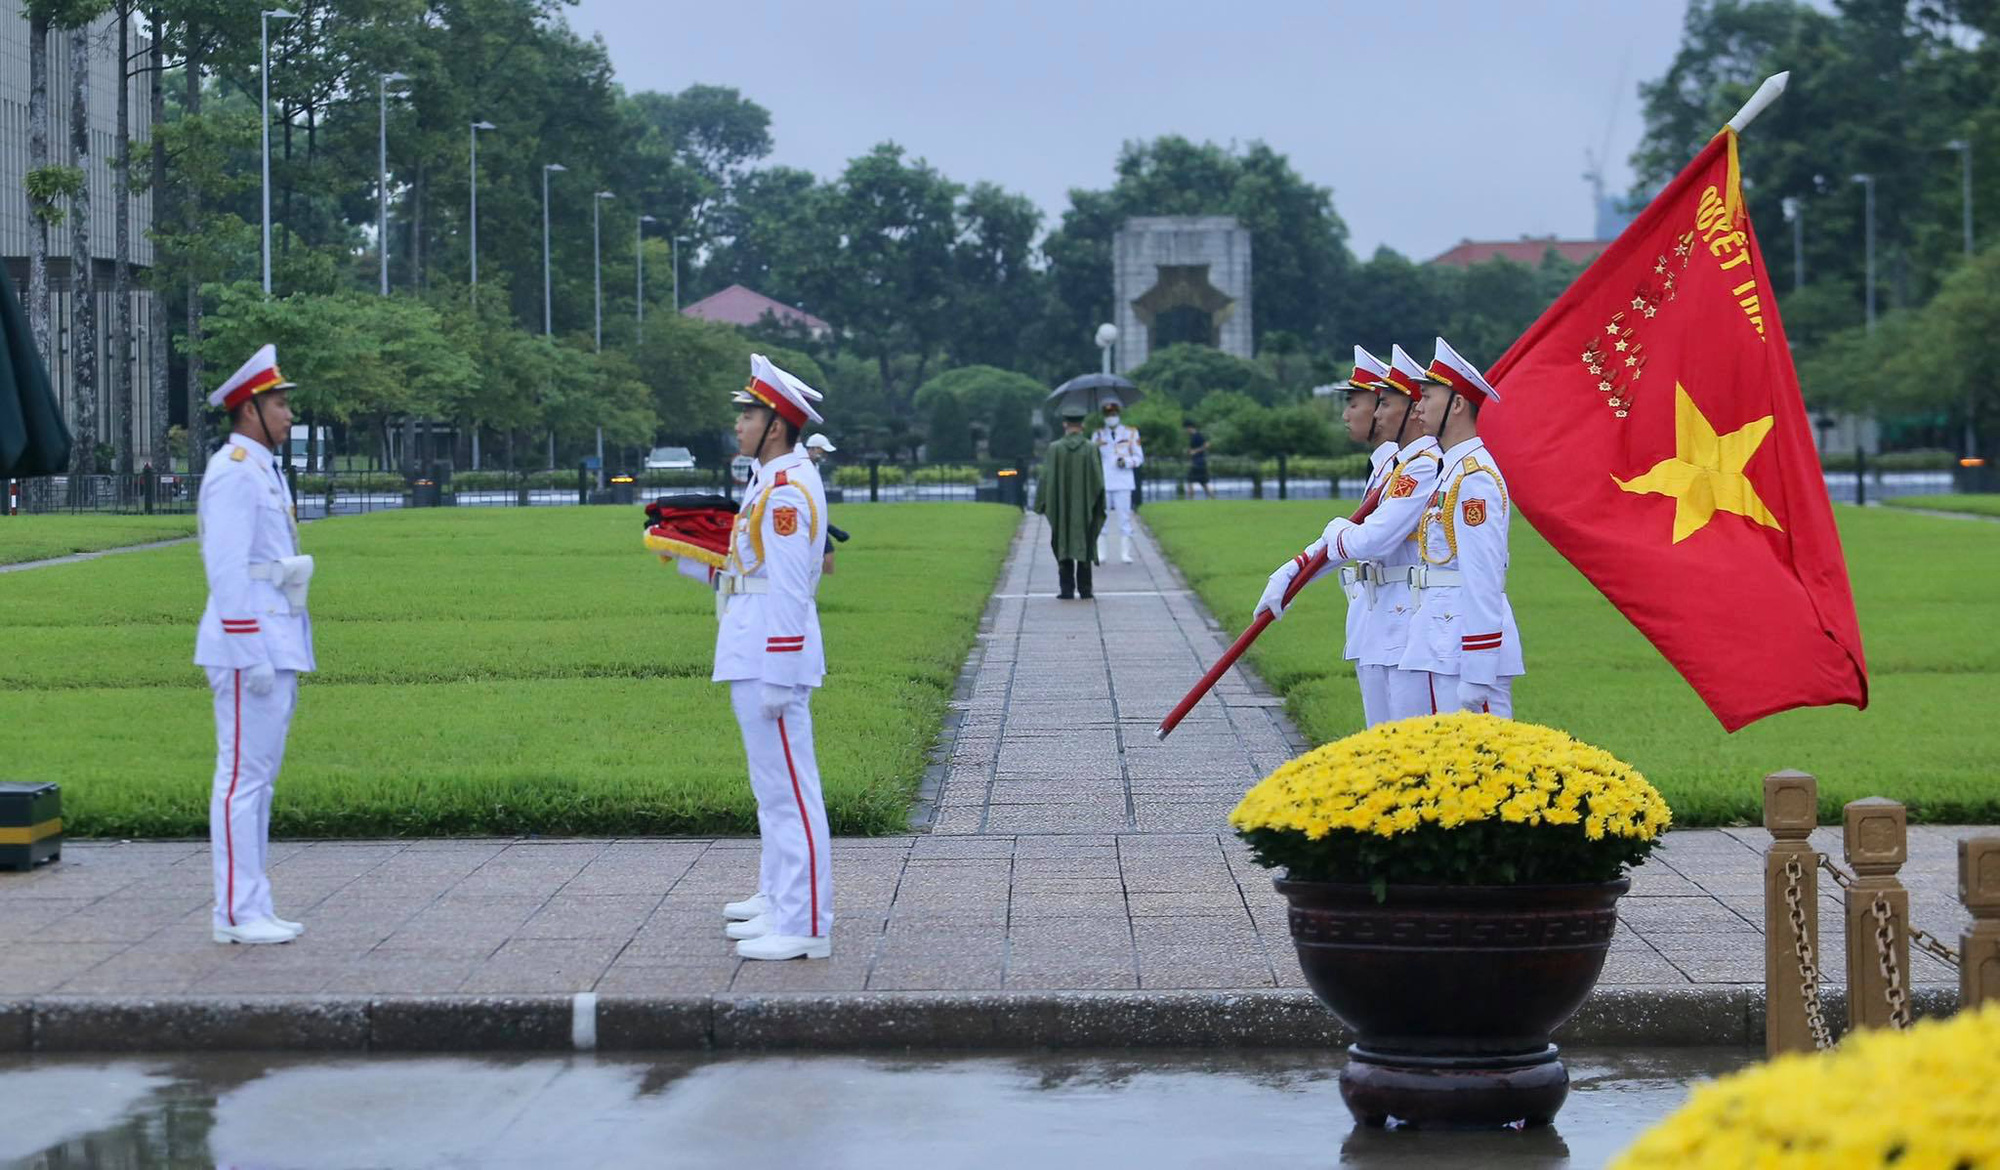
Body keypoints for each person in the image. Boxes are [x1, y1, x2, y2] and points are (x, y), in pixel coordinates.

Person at [708, 354, 836, 960]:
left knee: (790, 794)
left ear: (776, 425)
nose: (739, 425)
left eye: (749, 413)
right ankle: (783, 901)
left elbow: (788, 587)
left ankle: (806, 923)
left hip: (770, 654)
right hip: (752, 644)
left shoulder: (786, 491)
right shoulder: (772, 482)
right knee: (774, 792)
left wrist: (781, 673)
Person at [1254, 344, 1444, 725]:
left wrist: (1334, 531)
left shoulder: (1417, 467)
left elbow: (1370, 538)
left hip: (1405, 615)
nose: (1355, 414)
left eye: (1364, 403)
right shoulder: (1390, 468)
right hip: (1377, 613)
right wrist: (1294, 571)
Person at [195, 345, 315, 945]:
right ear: (250, 410)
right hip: (251, 646)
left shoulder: (260, 467)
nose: (289, 414)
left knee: (257, 782)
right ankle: (236, 913)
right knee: (242, 779)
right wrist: (250, 651)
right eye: (280, 403)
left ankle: (253, 904)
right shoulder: (235, 470)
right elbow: (225, 570)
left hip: (274, 637)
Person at [1398, 338, 1523, 716]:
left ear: (1455, 405)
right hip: (1442, 635)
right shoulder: (1450, 472)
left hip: (1463, 645)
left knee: (1481, 767)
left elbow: (1482, 575)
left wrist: (1479, 670)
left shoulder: (1474, 479)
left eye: (1428, 396)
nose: (1418, 407)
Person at [1035, 404, 1106, 600]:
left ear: (1065, 424)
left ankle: (1066, 589)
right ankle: (1085, 589)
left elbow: (1045, 478)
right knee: (1085, 540)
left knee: (1062, 539)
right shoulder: (1091, 448)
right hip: (1084, 506)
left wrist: (1041, 503)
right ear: (1082, 425)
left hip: (1061, 505)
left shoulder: (1054, 448)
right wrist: (1099, 503)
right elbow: (1098, 480)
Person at [1092, 400, 1144, 563]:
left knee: (1124, 516)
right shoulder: (1098, 434)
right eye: (1108, 415)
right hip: (1103, 481)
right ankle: (1101, 553)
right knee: (1101, 517)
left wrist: (1126, 462)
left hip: (1123, 481)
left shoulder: (1130, 433)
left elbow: (1139, 457)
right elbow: (1091, 459)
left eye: (1113, 414)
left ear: (1118, 415)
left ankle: (1125, 554)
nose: (1111, 417)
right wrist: (1095, 446)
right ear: (1104, 416)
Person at [804, 432, 840, 574]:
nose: (824, 455)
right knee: (824, 557)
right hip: (808, 522)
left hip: (817, 522)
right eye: (822, 451)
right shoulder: (803, 468)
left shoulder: (814, 468)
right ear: (812, 449)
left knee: (827, 557)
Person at [1182, 419, 1212, 499]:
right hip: (1196, 461)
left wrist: (1195, 451)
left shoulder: (1198, 435)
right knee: (1203, 482)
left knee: (1190, 480)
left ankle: (1191, 499)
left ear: (1189, 427)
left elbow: (1207, 445)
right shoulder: (1192, 436)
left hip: (1199, 461)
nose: (1186, 431)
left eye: (1186, 428)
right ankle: (1211, 498)